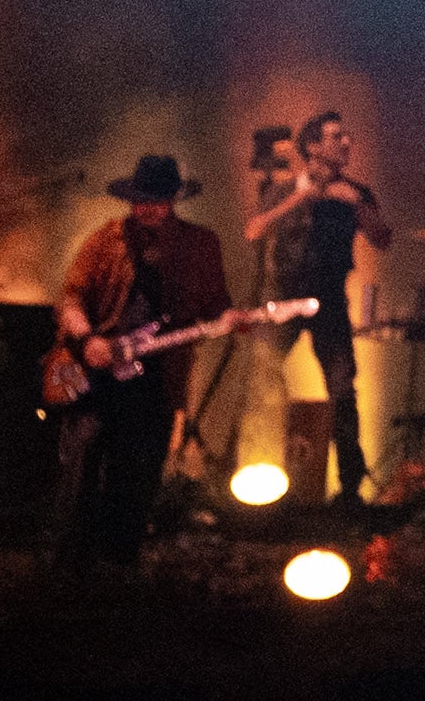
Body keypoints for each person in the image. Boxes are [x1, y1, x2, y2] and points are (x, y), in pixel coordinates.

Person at [59, 153, 233, 566]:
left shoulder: (199, 244)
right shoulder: (107, 239)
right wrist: (87, 339)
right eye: (140, 199)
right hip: (96, 369)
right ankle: (71, 563)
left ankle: (120, 564)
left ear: (173, 199)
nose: (146, 208)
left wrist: (232, 320)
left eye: (156, 199)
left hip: (157, 376)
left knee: (138, 471)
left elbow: (217, 307)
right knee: (80, 463)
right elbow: (70, 297)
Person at [243, 112, 391, 501]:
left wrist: (359, 205)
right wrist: (299, 198)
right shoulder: (287, 188)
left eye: (346, 136)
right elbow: (254, 230)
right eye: (335, 137)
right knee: (261, 378)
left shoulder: (356, 193)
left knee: (342, 390)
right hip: (285, 297)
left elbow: (382, 239)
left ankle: (350, 488)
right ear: (312, 147)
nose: (345, 143)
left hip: (329, 299)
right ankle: (256, 475)